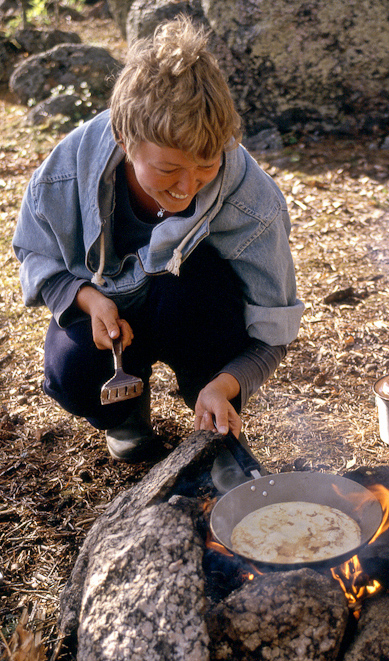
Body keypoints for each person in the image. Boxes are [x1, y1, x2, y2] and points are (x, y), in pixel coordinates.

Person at [12, 16, 303, 463]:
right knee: (72, 371)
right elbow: (35, 253)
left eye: (206, 166)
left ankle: (215, 417)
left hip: (188, 310)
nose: (188, 188)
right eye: (168, 170)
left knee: (196, 278)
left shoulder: (253, 201)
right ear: (124, 139)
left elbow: (272, 333)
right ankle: (127, 416)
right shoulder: (68, 167)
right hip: (109, 321)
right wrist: (88, 299)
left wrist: (227, 382)